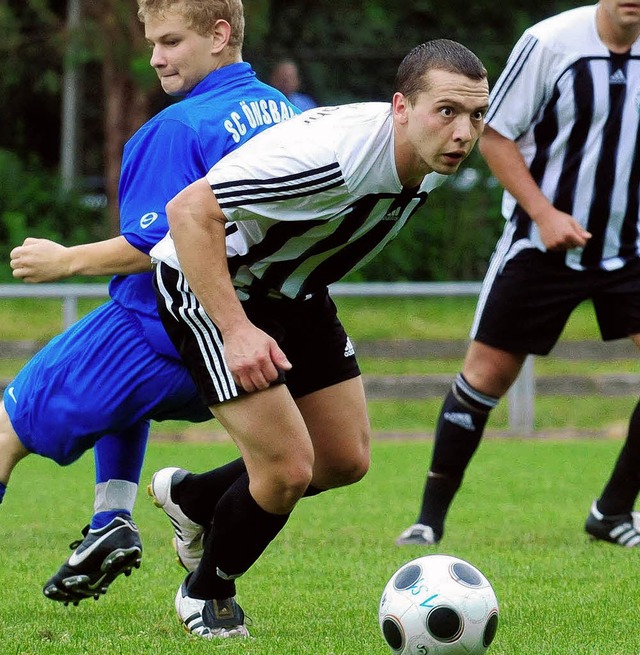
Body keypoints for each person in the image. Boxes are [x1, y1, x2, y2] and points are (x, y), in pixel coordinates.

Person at [146, 38, 489, 640]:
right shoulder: (333, 159)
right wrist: (236, 331)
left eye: (475, 115)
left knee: (343, 460)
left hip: (296, 292)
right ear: (400, 107)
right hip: (213, 281)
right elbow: (188, 213)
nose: (464, 132)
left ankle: (196, 498)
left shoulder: (432, 161)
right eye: (447, 112)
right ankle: (207, 592)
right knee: (286, 472)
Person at [2, 0, 298, 605]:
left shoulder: (178, 128)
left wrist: (65, 260)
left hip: (153, 332)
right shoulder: (281, 110)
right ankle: (111, 519)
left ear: (219, 36)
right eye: (153, 43)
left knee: (3, 433)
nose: (157, 58)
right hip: (240, 348)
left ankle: (126, 523)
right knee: (129, 406)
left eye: (170, 42)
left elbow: (158, 242)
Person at [396, 0, 640, 549]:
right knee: (486, 378)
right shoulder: (550, 43)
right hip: (540, 242)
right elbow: (496, 135)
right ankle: (428, 521)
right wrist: (545, 213)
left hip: (629, 247)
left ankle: (612, 511)